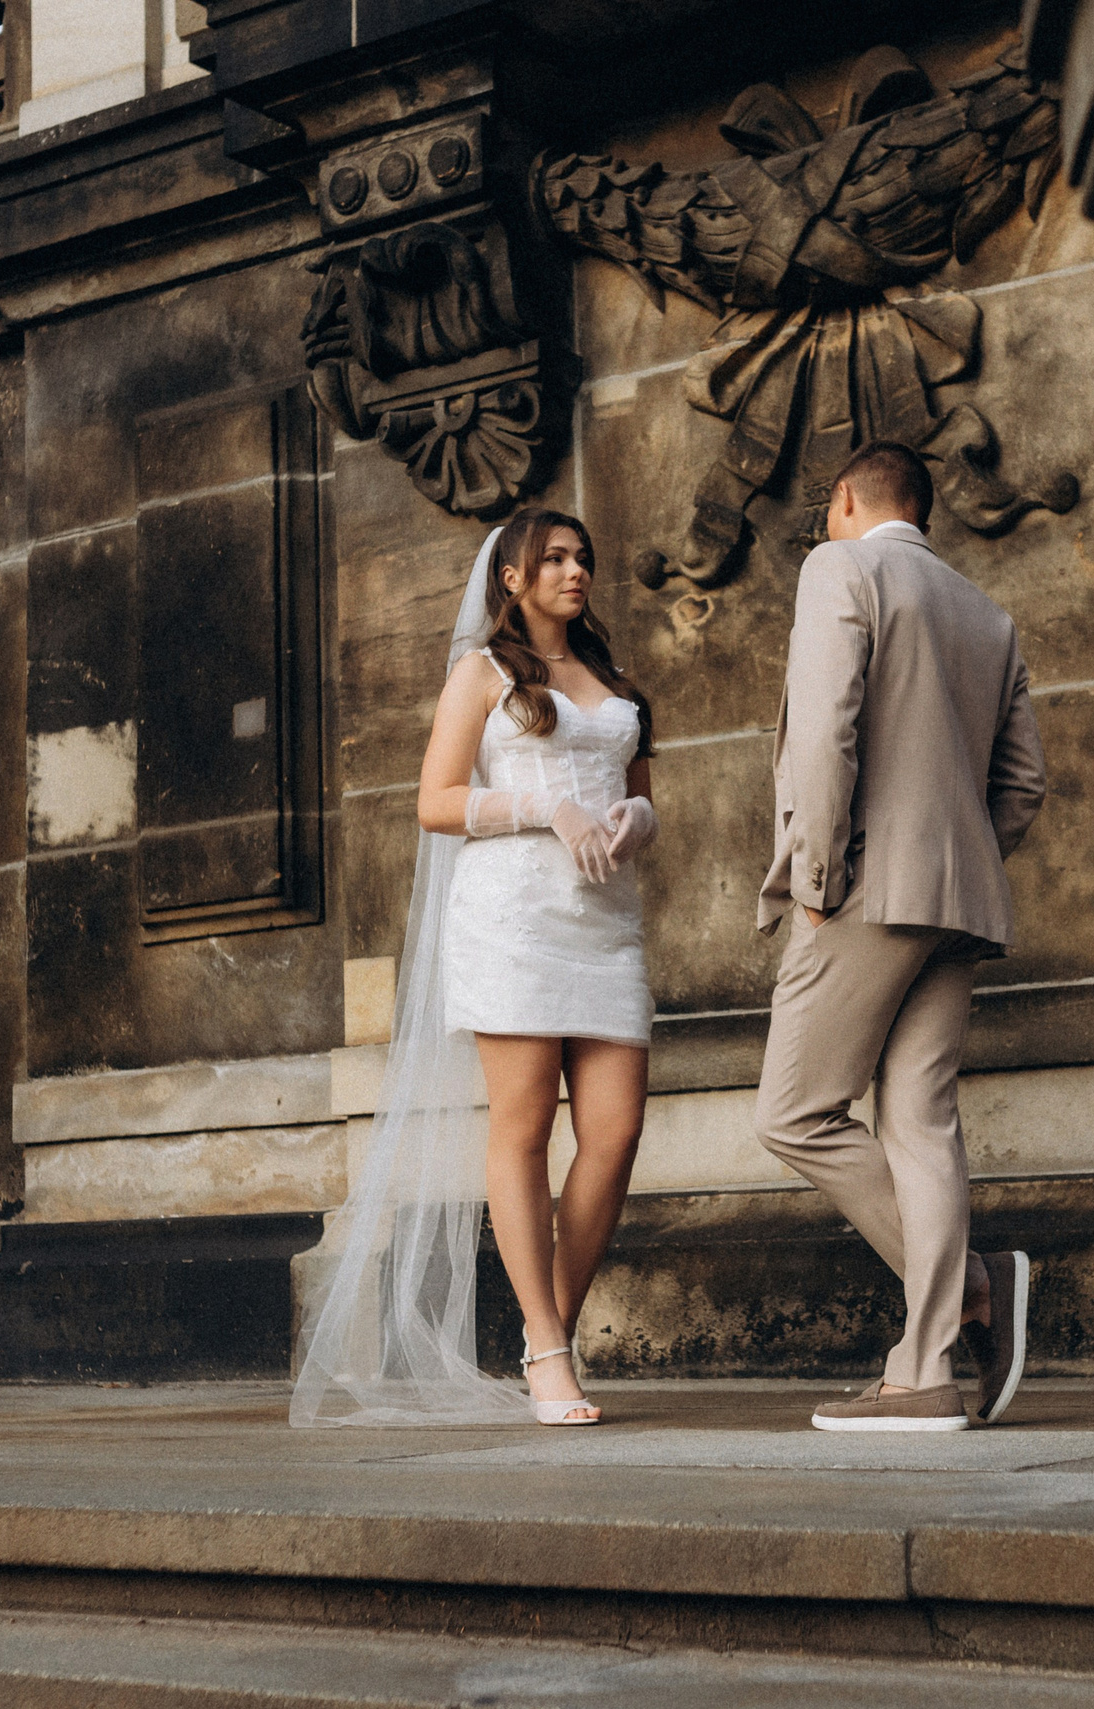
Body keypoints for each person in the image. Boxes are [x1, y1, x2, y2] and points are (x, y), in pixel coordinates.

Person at [291, 510, 657, 1428]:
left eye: (584, 557)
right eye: (557, 559)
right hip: (514, 921)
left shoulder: (614, 681)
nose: (577, 572)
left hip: (606, 926)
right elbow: (434, 801)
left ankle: (550, 1331)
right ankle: (547, 1344)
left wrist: (634, 821)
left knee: (613, 1135)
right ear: (512, 579)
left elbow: (641, 792)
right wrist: (546, 807)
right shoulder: (482, 675)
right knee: (525, 1126)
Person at [756, 443, 1048, 1433]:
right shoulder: (988, 613)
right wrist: (958, 855)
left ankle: (966, 1287)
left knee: (794, 1113)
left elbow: (825, 728)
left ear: (843, 497)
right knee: (918, 1121)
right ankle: (924, 1369)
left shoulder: (840, 567)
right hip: (959, 896)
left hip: (865, 886)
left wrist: (819, 874)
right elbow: (1021, 788)